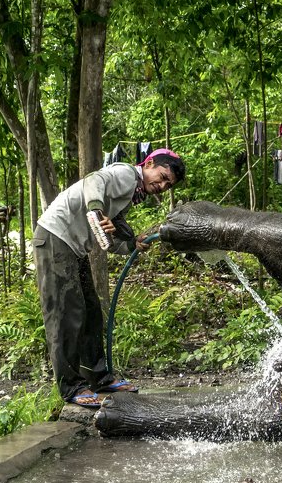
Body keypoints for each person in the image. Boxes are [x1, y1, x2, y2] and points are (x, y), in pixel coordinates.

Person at [31, 149, 186, 408]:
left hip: (73, 247)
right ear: (148, 164)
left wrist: (131, 243)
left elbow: (108, 237)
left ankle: (99, 378)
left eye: (167, 184)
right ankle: (71, 387)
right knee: (66, 314)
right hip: (55, 238)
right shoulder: (126, 174)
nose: (161, 186)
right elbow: (93, 180)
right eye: (161, 177)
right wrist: (95, 209)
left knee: (90, 311)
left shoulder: (127, 195)